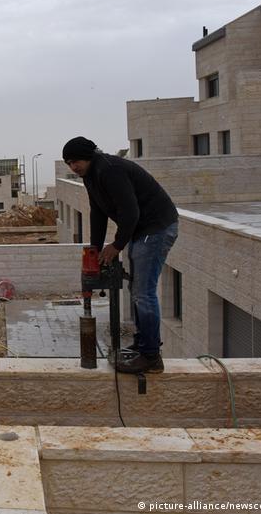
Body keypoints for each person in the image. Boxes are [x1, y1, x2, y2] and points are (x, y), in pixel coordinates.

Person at [62, 136, 178, 374]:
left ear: (88, 155)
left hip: (156, 228)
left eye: (76, 161)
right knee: (137, 291)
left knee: (143, 293)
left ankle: (151, 357)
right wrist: (94, 249)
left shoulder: (109, 170)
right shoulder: (91, 177)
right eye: (69, 163)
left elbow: (131, 211)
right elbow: (98, 213)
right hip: (142, 231)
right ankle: (142, 343)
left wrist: (116, 245)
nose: (73, 167)